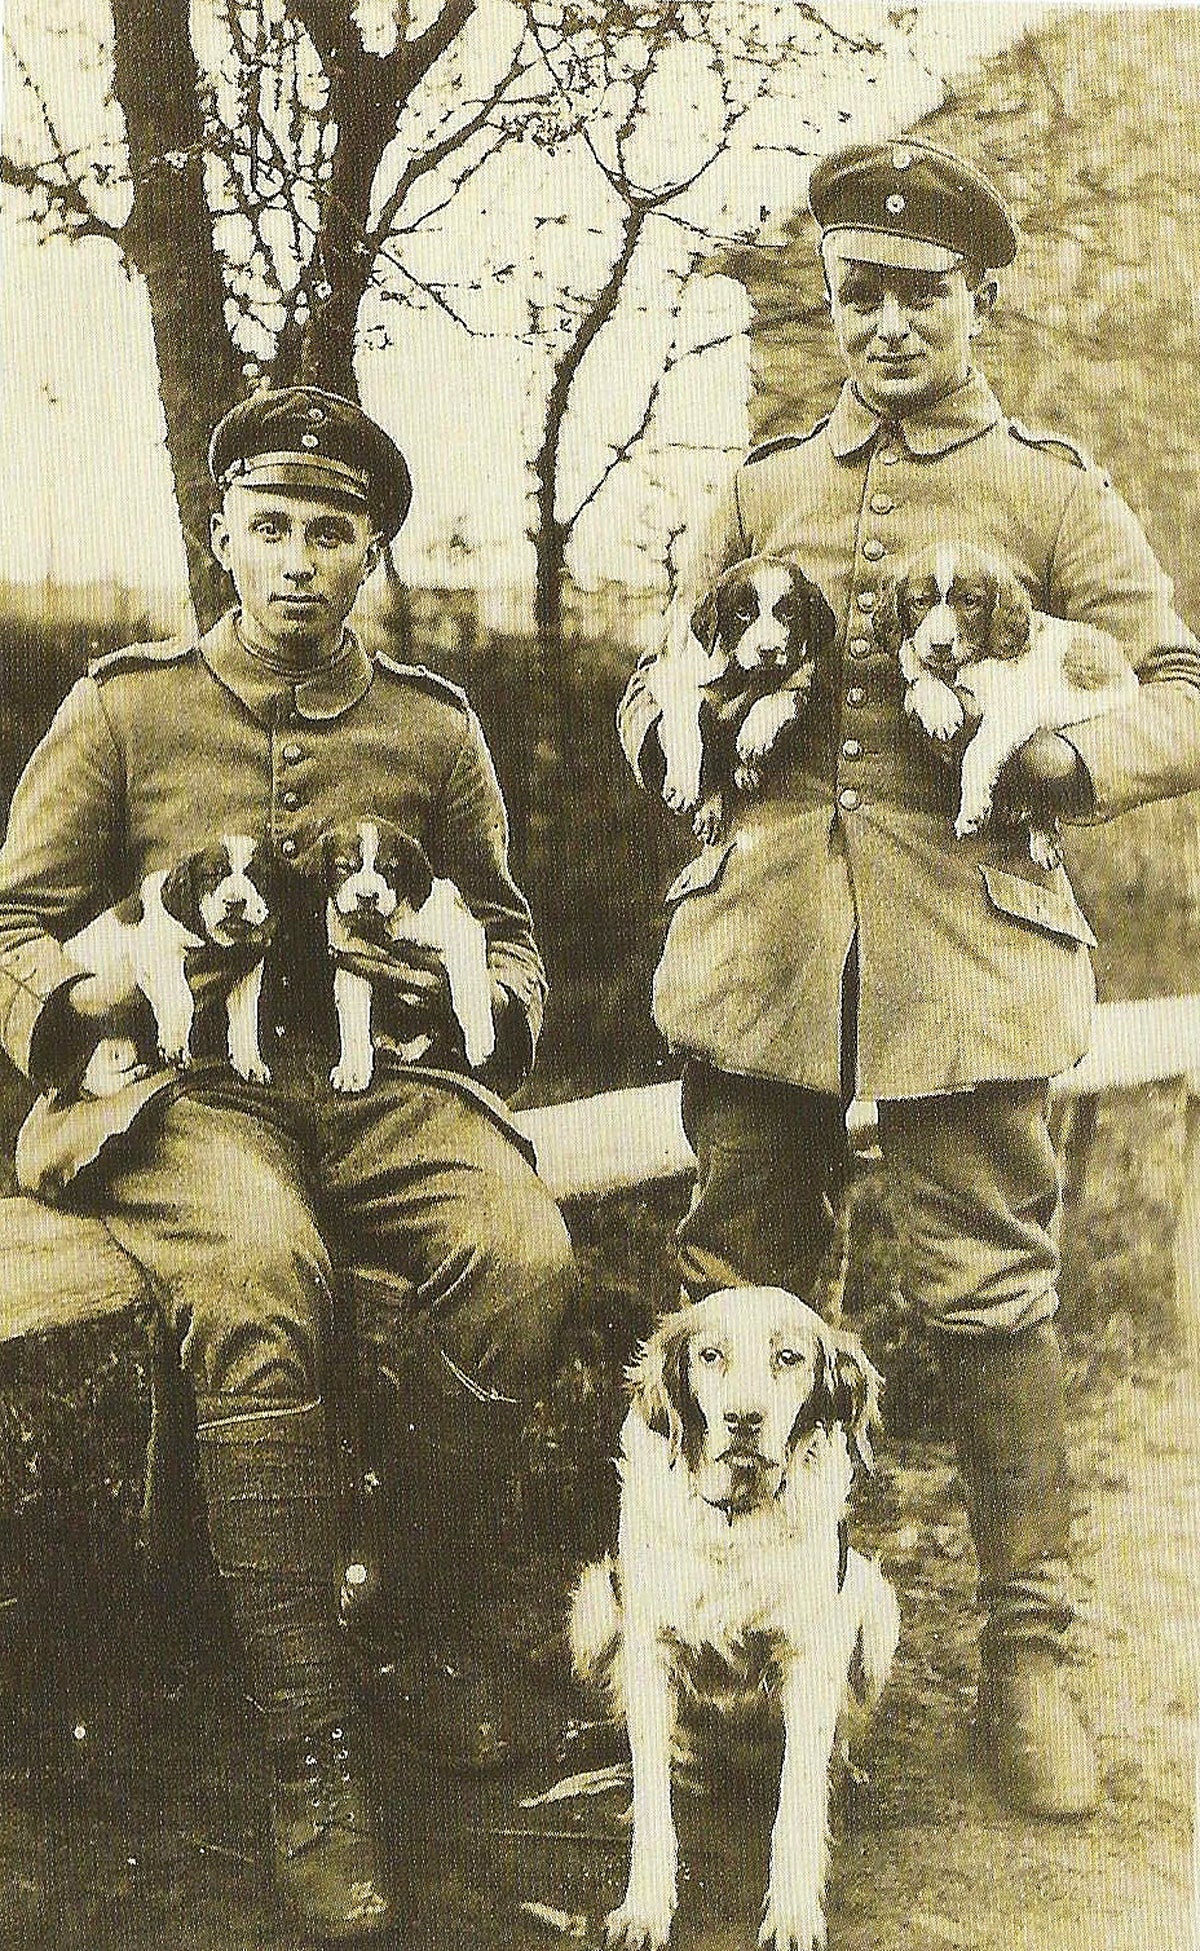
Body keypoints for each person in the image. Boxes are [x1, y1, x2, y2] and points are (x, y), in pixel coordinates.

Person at [618, 140, 1200, 1820]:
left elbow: (1182, 688)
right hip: (764, 949)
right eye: (856, 293)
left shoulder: (1052, 491)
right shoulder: (760, 486)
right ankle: (715, 1643)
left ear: (978, 301)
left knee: (990, 1299)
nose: (886, 324)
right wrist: (678, 734)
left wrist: (1065, 765)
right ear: (829, 301)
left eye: (920, 295)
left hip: (971, 948)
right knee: (734, 1284)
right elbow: (658, 676)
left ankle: (1028, 1662)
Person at [0, 387, 577, 1941]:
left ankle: (403, 1624)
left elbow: (510, 935)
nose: (300, 561)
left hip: (380, 1085)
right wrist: (80, 999)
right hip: (183, 1092)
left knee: (523, 1256)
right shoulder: (123, 709)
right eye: (271, 528)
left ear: (372, 551)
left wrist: (473, 1001)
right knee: (262, 1269)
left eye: (333, 532)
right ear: (222, 537)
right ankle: (307, 1748)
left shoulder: (434, 726)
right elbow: (11, 923)